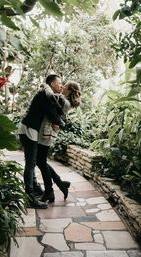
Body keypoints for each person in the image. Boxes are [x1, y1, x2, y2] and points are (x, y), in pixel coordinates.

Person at [18, 74, 65, 209]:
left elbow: (54, 111)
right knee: (31, 163)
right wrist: (63, 123)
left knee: (31, 162)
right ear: (51, 84)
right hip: (29, 128)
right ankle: (30, 197)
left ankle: (34, 190)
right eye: (59, 83)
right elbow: (53, 114)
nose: (61, 86)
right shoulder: (44, 94)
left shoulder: (47, 94)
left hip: (30, 129)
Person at [36, 80, 82, 203]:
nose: (62, 86)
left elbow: (49, 96)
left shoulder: (64, 101)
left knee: (40, 161)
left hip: (47, 132)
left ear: (70, 90)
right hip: (48, 131)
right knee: (40, 161)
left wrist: (45, 85)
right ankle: (60, 184)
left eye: (65, 86)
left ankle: (50, 191)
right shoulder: (65, 100)